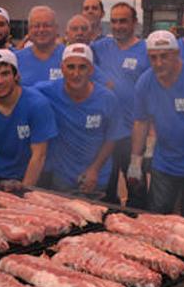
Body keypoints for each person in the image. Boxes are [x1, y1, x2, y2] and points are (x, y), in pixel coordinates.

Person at [127, 30, 184, 218]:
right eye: (153, 58)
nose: (158, 63)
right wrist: (135, 160)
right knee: (157, 213)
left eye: (164, 57)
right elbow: (140, 122)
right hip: (165, 162)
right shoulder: (145, 82)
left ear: (176, 54)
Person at [37, 44, 124, 198]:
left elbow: (112, 138)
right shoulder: (47, 91)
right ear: (62, 68)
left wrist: (94, 169)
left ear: (91, 70)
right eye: (70, 67)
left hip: (97, 177)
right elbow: (17, 92)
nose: (76, 73)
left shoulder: (107, 99)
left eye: (82, 67)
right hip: (62, 176)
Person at [0, 49, 57, 190]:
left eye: (5, 74)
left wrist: (24, 193)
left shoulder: (36, 104)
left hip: (34, 177)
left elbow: (39, 155)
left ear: (16, 76)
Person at [91, 2, 150, 207]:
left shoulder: (146, 50)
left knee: (137, 189)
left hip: (133, 132)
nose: (118, 26)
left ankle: (140, 231)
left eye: (123, 21)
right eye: (114, 21)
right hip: (105, 132)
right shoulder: (99, 47)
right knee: (105, 190)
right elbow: (79, 56)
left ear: (135, 22)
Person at [16, 6, 65, 86]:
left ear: (56, 28)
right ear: (29, 30)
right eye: (36, 26)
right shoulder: (16, 59)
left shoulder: (68, 57)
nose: (41, 30)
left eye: (46, 25)